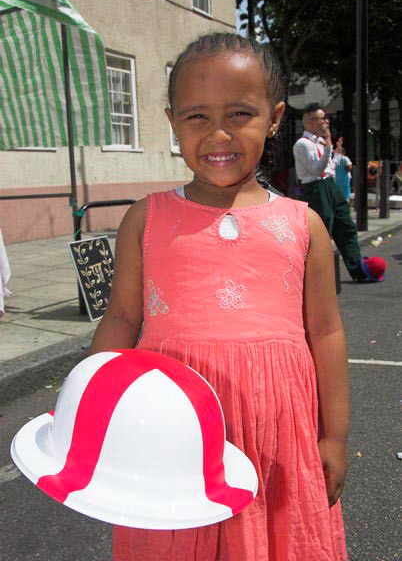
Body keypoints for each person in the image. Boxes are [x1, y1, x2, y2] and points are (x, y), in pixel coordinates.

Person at [89, 33, 349, 560]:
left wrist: (336, 436)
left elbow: (325, 332)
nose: (219, 134)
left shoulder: (304, 226)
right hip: (172, 435)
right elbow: (120, 319)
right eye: (197, 117)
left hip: (277, 435)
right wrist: (91, 411)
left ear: (274, 117)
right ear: (171, 120)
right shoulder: (147, 219)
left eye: (239, 113)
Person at [293, 104, 376, 282]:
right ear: (309, 121)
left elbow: (328, 166)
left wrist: (334, 152)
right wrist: (329, 147)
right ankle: (316, 277)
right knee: (322, 231)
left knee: (345, 225)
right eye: (322, 119)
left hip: (329, 185)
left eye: (326, 118)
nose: (326, 122)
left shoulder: (320, 142)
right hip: (315, 188)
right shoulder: (303, 144)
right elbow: (316, 170)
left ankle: (358, 269)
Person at [333, 137, 352, 202]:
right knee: (345, 194)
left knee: (338, 194)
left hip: (337, 179)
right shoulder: (345, 158)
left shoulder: (334, 160)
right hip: (344, 179)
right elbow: (349, 167)